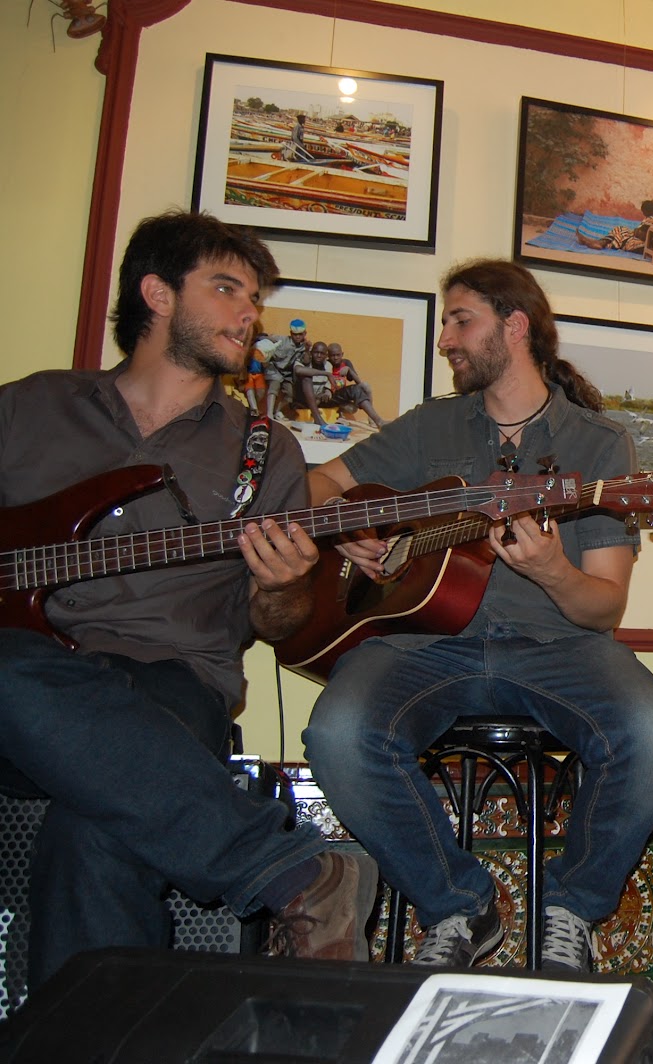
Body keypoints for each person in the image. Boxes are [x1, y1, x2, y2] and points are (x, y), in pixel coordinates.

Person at [0, 210, 378, 991]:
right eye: (228, 288)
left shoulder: (264, 450)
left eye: (255, 298)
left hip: (172, 681)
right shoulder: (26, 408)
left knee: (97, 828)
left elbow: (274, 626)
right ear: (157, 293)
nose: (251, 315)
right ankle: (292, 871)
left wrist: (282, 585)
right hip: (24, 681)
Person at [301, 259, 653, 972]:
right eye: (446, 321)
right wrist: (345, 525)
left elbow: (604, 606)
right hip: (418, 641)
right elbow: (321, 479)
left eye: (460, 320)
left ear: (513, 327)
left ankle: (571, 910)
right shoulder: (430, 427)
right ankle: (457, 907)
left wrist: (551, 570)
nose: (446, 337)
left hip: (555, 644)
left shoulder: (598, 447)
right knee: (338, 732)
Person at [256, 319, 307, 421]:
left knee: (290, 394)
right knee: (274, 386)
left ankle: (277, 411)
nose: (297, 337)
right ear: (290, 333)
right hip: (274, 368)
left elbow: (305, 360)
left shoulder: (304, 347)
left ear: (304, 334)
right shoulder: (282, 340)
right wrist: (268, 339)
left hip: (287, 373)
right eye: (294, 334)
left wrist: (308, 349)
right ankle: (269, 413)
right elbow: (261, 338)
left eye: (300, 334)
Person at [326, 342, 387, 427]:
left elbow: (359, 383)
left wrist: (349, 370)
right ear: (328, 356)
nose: (335, 358)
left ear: (342, 354)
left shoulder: (345, 363)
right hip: (331, 396)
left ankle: (372, 418)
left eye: (338, 355)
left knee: (365, 386)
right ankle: (340, 416)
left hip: (343, 396)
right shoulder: (326, 364)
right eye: (332, 355)